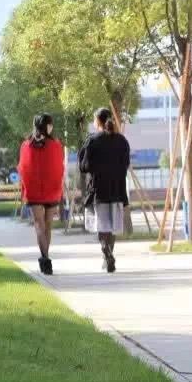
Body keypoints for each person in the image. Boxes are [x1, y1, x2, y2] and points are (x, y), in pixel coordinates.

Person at [78, 108, 131, 273]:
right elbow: (126, 164)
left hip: (99, 189)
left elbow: (84, 166)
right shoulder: (122, 140)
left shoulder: (92, 141)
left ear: (97, 122)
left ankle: (106, 252)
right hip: (117, 189)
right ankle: (109, 255)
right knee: (113, 225)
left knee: (102, 225)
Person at [17, 114, 65, 275]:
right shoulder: (55, 145)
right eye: (50, 124)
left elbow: (22, 168)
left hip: (34, 192)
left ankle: (45, 257)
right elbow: (59, 168)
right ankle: (46, 256)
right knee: (48, 224)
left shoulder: (26, 145)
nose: (52, 127)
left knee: (39, 224)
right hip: (51, 190)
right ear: (47, 126)